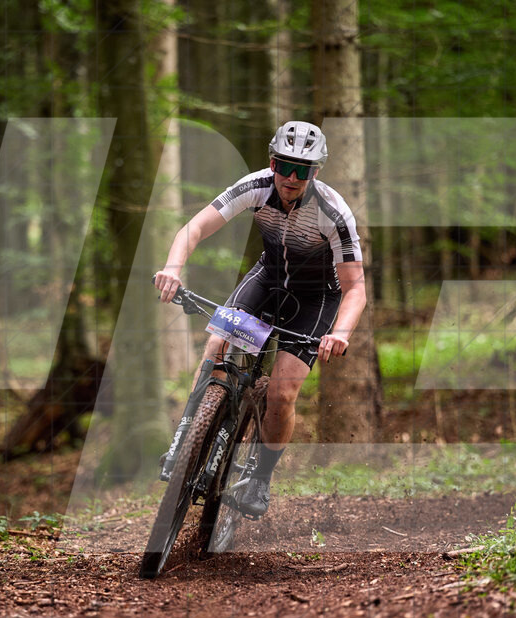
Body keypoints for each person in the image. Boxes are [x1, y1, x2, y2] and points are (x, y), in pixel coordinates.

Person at [153, 120, 366, 518]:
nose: (291, 176)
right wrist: (172, 268)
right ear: (271, 163)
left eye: (302, 170)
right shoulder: (255, 186)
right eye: (283, 165)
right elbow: (195, 227)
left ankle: (259, 480)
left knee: (282, 393)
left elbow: (356, 288)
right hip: (267, 278)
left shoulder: (333, 212)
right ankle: (186, 436)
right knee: (217, 345)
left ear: (315, 172)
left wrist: (340, 333)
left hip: (316, 298)